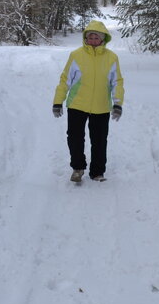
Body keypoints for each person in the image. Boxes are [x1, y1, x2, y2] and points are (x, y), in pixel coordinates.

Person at [52, 19, 124, 183]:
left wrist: (118, 103)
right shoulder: (76, 55)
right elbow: (65, 80)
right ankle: (78, 168)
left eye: (96, 38)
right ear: (85, 38)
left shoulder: (112, 58)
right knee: (75, 138)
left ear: (103, 39)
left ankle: (97, 172)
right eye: (90, 37)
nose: (92, 41)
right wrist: (58, 101)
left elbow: (117, 82)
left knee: (99, 141)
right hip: (77, 104)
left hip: (101, 106)